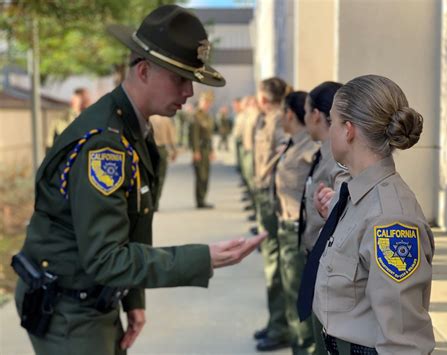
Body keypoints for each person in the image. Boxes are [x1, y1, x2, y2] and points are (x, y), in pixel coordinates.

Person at [13, 5, 265, 355]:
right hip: (68, 311)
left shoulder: (132, 127)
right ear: (144, 71)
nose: (189, 92)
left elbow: (130, 224)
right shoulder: (105, 144)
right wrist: (203, 257)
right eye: (180, 79)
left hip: (91, 299)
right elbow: (105, 257)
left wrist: (133, 299)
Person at [297, 74, 435, 354]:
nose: (330, 130)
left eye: (333, 122)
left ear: (348, 130)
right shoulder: (356, 196)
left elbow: (404, 342)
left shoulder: (391, 219)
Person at [297, 81, 349, 354]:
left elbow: (345, 192)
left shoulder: (336, 157)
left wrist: (335, 200)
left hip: (326, 265)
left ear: (316, 114)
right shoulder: (324, 151)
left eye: (306, 111)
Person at [272, 91, 318, 354]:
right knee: (290, 296)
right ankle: (297, 344)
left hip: (298, 231)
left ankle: (304, 347)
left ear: (290, 113)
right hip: (286, 226)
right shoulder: (294, 143)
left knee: (298, 300)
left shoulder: (311, 148)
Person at [253, 77, 290, 352]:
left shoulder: (278, 120)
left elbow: (283, 156)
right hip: (265, 196)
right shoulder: (267, 119)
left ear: (264, 98)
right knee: (272, 262)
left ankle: (280, 326)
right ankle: (275, 320)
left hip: (273, 199)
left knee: (275, 265)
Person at [190, 91, 215, 209]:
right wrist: (195, 151)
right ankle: (200, 200)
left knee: (206, 175)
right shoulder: (196, 116)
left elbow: (210, 135)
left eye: (209, 102)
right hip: (199, 149)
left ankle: (203, 198)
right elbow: (193, 135)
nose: (207, 104)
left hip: (206, 149)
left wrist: (212, 150)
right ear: (200, 101)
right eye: (205, 101)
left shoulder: (208, 116)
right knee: (201, 175)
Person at [149, 114, 178, 211]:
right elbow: (172, 138)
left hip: (149, 149)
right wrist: (174, 151)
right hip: (162, 150)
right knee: (160, 178)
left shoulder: (148, 118)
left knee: (149, 177)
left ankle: (148, 202)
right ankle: (155, 203)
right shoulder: (166, 119)